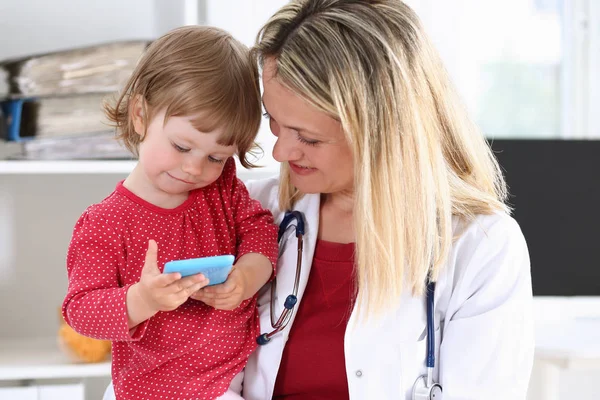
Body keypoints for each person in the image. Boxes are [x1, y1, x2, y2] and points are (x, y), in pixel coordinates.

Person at [239, 0, 534, 399]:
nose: (280, 153)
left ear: (382, 131)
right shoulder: (247, 213)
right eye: (274, 122)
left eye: (308, 137)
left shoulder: (482, 247)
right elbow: (193, 374)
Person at [62, 26, 279, 400]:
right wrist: (142, 301)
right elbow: (80, 311)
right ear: (140, 115)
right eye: (182, 146)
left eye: (215, 156)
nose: (195, 168)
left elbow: (260, 230)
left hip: (229, 380)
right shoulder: (105, 222)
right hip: (150, 390)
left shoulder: (221, 188)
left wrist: (246, 277)